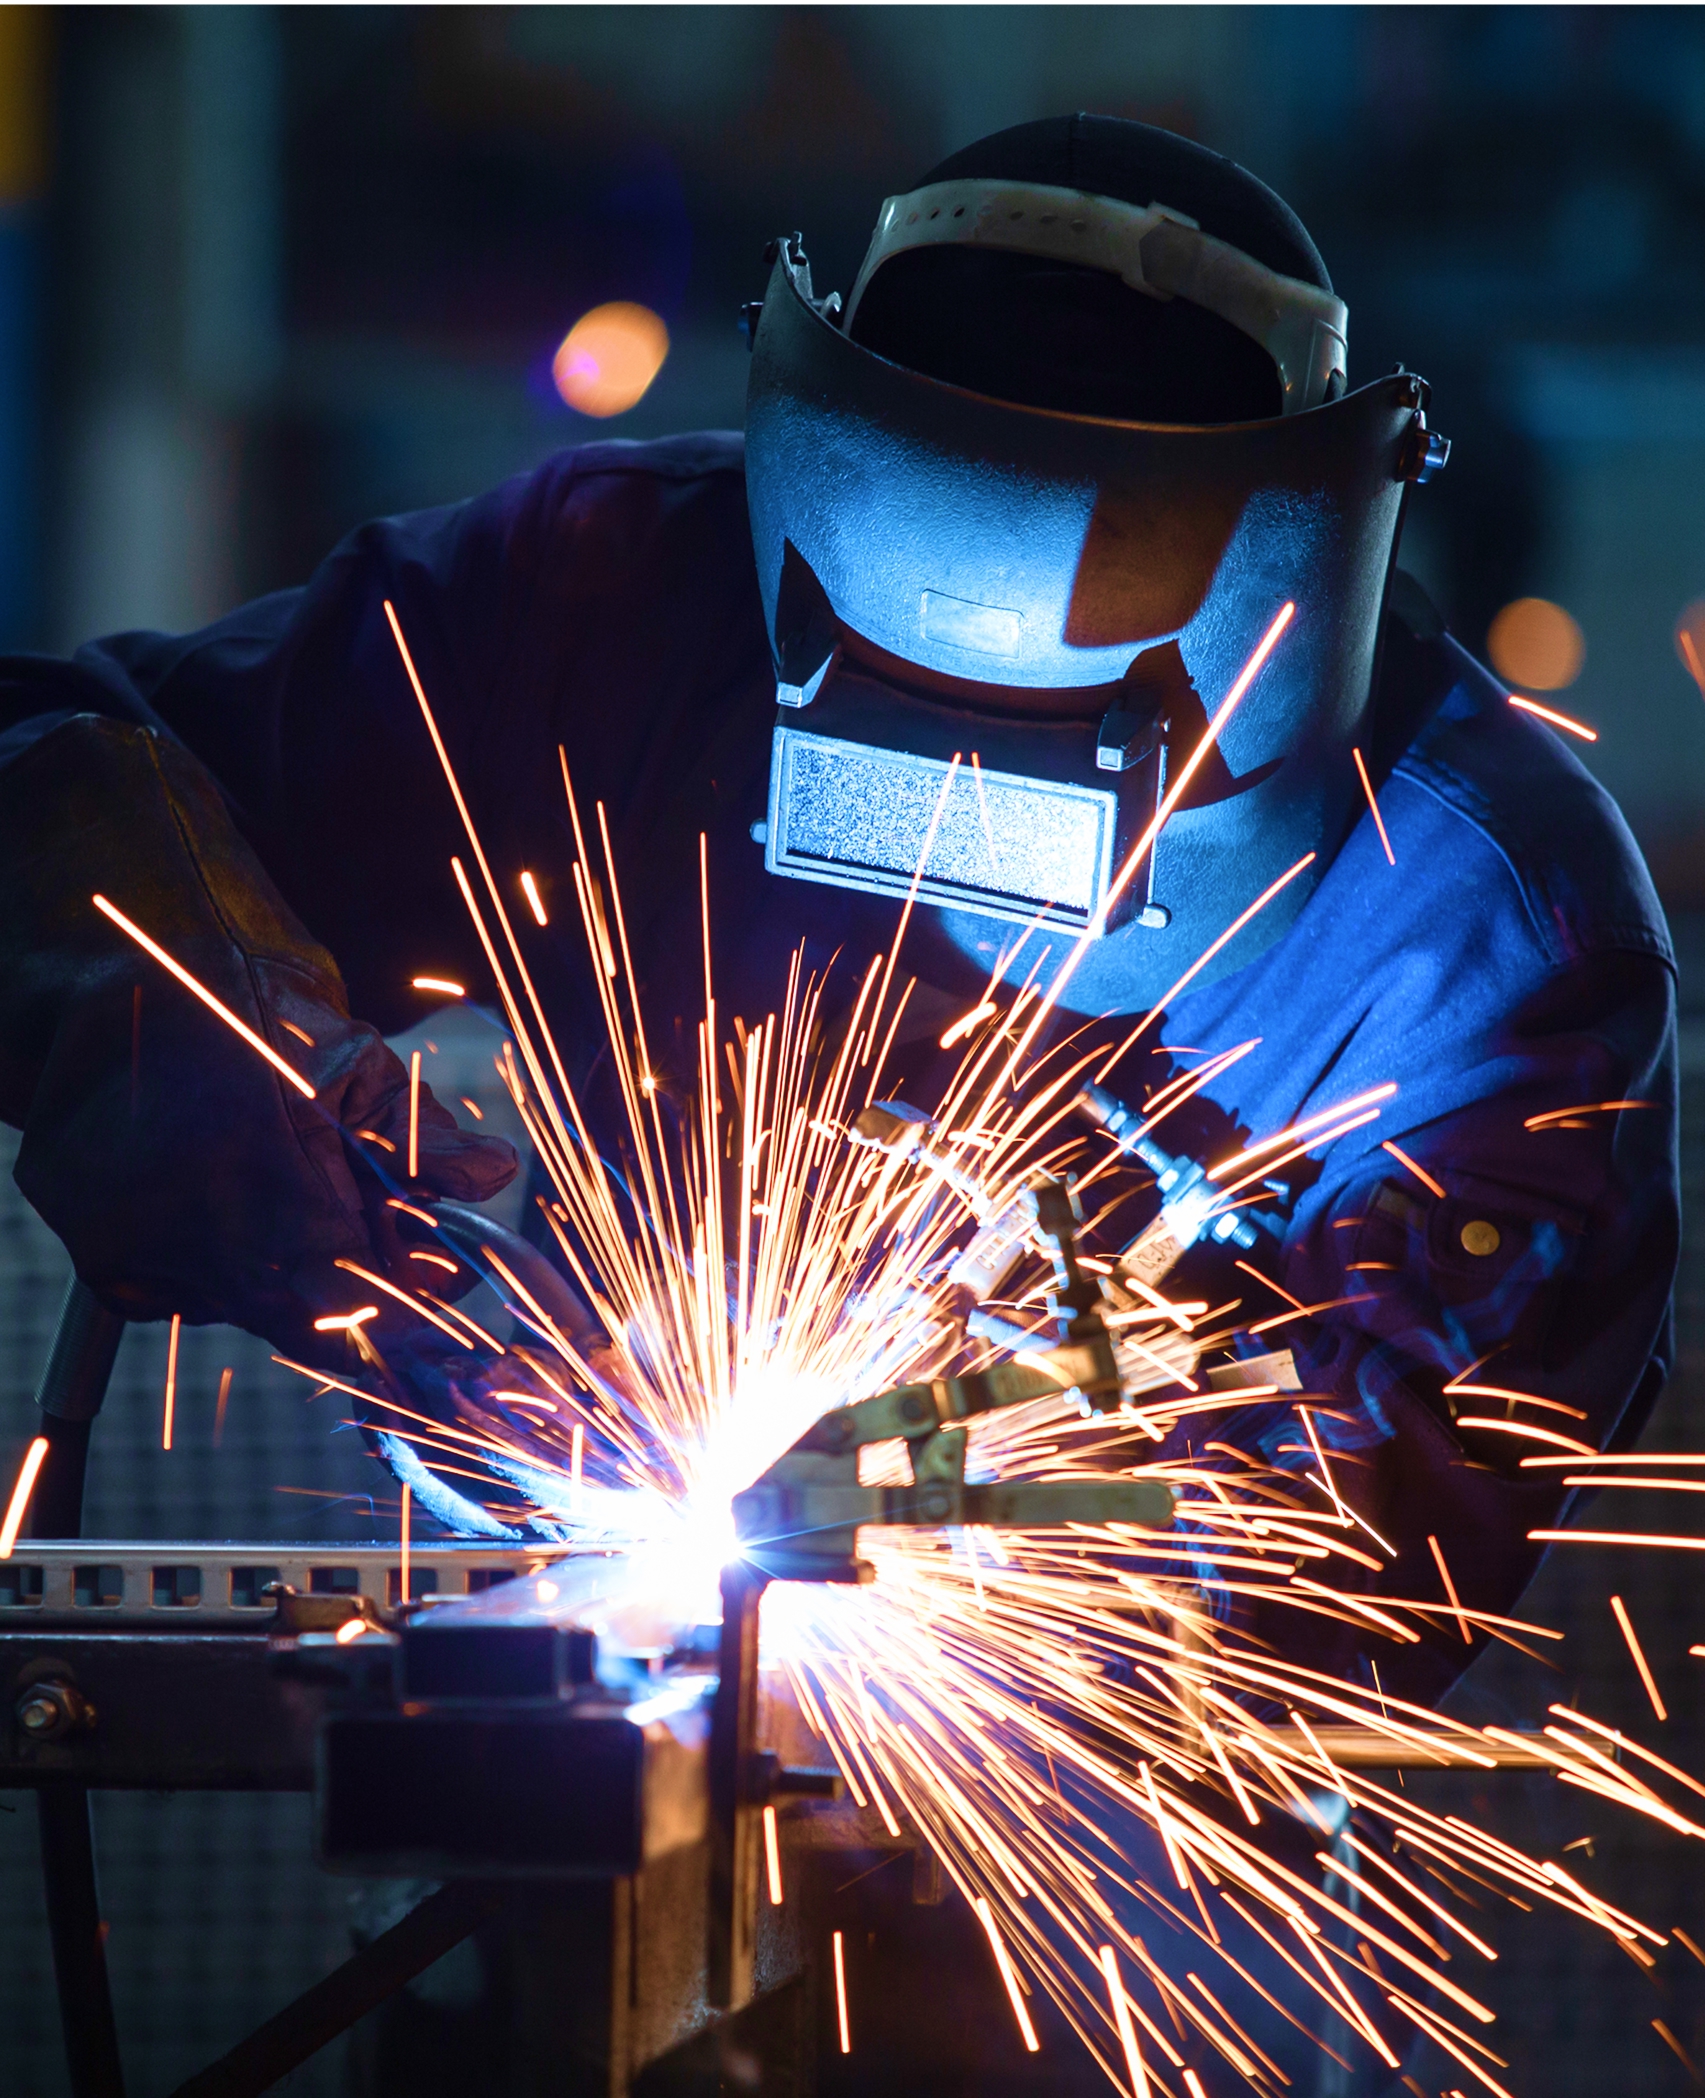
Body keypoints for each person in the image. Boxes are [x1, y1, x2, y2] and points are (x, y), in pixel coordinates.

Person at [0, 113, 1678, 2089]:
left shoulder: (1486, 926)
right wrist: (283, 1132)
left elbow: (1370, 1533)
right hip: (562, 1815)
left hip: (1106, 1935)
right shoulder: (601, 603)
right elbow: (67, 769)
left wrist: (1008, 1457)